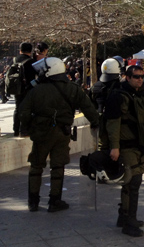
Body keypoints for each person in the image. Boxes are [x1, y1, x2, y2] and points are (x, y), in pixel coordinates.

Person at [19, 57, 99, 212]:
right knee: (58, 166)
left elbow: (23, 112)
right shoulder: (73, 89)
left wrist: (29, 127)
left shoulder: (36, 90)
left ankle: (33, 201)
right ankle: (55, 201)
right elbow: (88, 108)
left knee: (36, 166)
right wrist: (96, 123)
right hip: (62, 133)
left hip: (41, 133)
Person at [104, 65, 144, 237]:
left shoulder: (143, 95)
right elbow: (113, 123)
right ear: (127, 77)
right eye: (135, 76)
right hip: (126, 145)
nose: (139, 79)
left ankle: (125, 217)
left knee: (132, 183)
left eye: (141, 76)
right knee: (132, 182)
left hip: (140, 145)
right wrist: (114, 147)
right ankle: (129, 222)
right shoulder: (118, 96)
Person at [90, 58, 123, 150]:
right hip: (116, 121)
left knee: (102, 146)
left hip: (100, 121)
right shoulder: (119, 87)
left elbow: (91, 104)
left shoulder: (95, 86)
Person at [11, 42, 37, 137]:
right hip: (28, 88)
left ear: (20, 50)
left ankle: (16, 130)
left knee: (17, 108)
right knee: (27, 109)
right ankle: (24, 130)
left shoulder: (15, 59)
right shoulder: (31, 61)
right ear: (30, 51)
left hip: (16, 87)